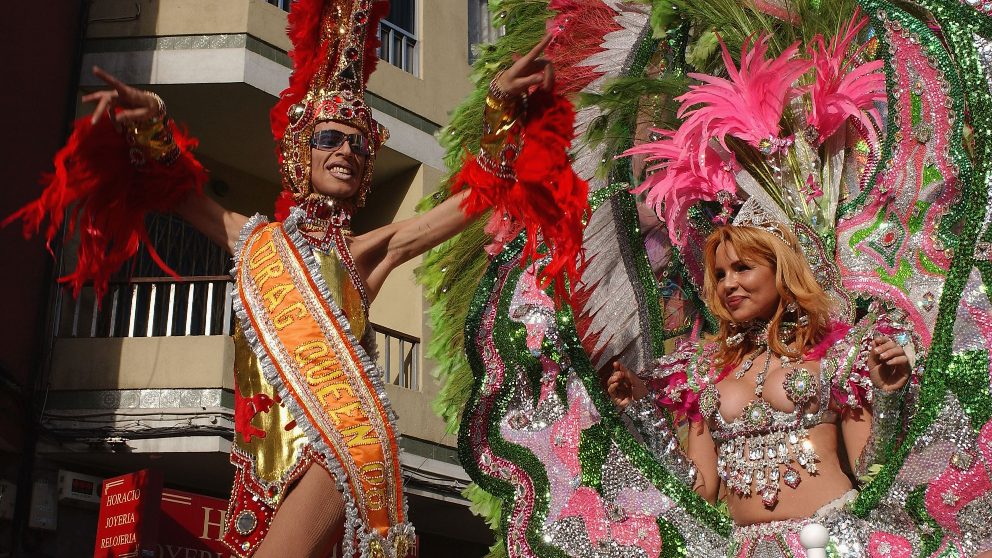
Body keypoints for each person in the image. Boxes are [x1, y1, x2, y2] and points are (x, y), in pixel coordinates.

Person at [23, 4, 558, 556]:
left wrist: (500, 107)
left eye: (357, 143)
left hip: (338, 451)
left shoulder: (366, 254)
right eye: (330, 137)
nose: (345, 150)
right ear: (302, 153)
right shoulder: (255, 242)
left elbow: (471, 202)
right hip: (260, 471)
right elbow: (179, 194)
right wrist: (154, 123)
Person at [606, 223, 916, 554]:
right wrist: (644, 413)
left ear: (781, 270)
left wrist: (887, 396)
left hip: (831, 542)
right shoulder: (701, 372)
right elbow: (699, 492)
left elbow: (870, 472)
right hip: (747, 549)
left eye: (742, 268)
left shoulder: (838, 356)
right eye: (721, 274)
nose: (729, 284)